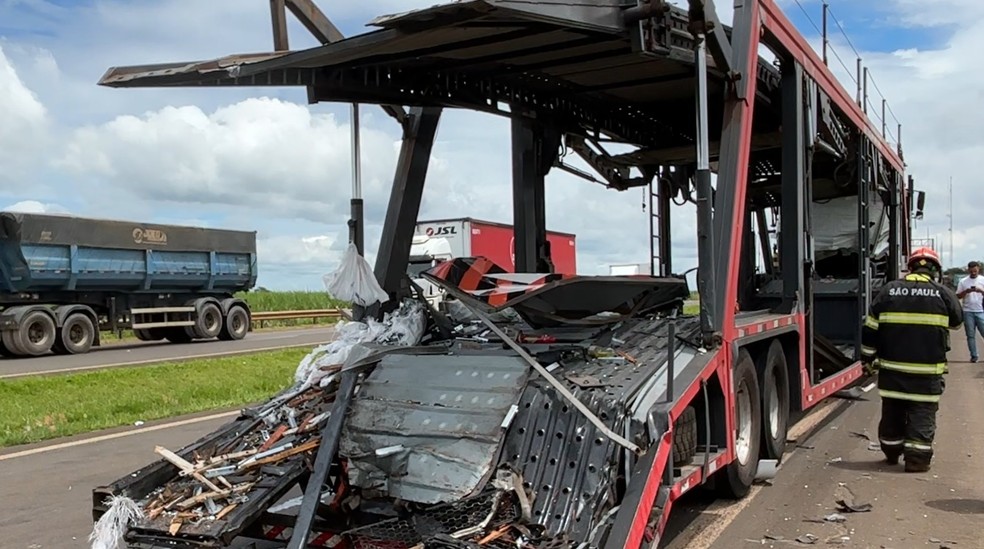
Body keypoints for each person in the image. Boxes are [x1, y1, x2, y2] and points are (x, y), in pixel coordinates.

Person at [860, 247, 962, 473]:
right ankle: (917, 460)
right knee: (922, 413)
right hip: (927, 374)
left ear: (910, 267)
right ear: (935, 270)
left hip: (892, 371)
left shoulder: (888, 291)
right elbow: (956, 323)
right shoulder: (943, 293)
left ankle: (891, 452)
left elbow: (870, 329)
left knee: (892, 411)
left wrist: (866, 358)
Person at [956, 261, 984, 362]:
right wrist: (966, 291)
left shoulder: (982, 280)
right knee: (970, 335)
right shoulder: (963, 281)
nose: (973, 273)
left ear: (978, 269)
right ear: (968, 270)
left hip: (981, 310)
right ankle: (974, 355)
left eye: (975, 271)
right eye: (971, 271)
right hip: (968, 311)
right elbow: (958, 296)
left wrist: (980, 291)